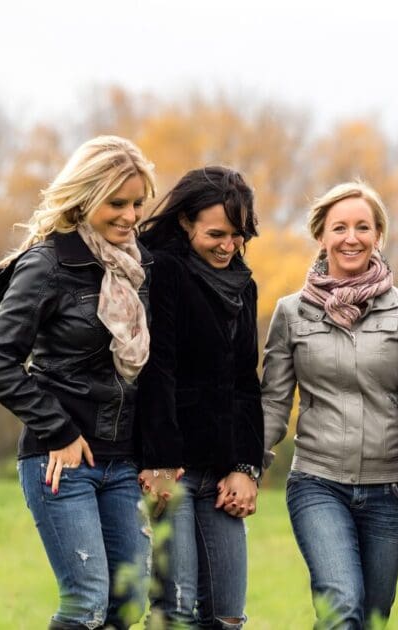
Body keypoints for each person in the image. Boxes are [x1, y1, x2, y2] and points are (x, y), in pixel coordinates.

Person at [0, 135, 156, 629]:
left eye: (138, 203)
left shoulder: (140, 267)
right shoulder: (48, 263)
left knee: (129, 603)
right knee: (87, 603)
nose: (129, 215)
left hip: (122, 460)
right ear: (84, 197)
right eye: (116, 203)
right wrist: (59, 431)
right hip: (61, 460)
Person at [261, 181, 398, 629]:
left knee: (372, 617)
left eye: (363, 227)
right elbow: (274, 403)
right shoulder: (291, 313)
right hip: (318, 482)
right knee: (342, 608)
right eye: (339, 227)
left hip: (390, 489)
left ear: (379, 235)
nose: (351, 237)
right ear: (321, 235)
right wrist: (247, 467)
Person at [136, 166, 263, 629]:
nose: (228, 246)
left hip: (224, 470)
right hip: (173, 468)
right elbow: (157, 368)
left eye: (237, 235)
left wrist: (246, 467)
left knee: (228, 616)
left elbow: (248, 382)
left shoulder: (243, 286)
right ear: (186, 223)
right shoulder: (163, 271)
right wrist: (161, 463)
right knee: (174, 612)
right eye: (216, 234)